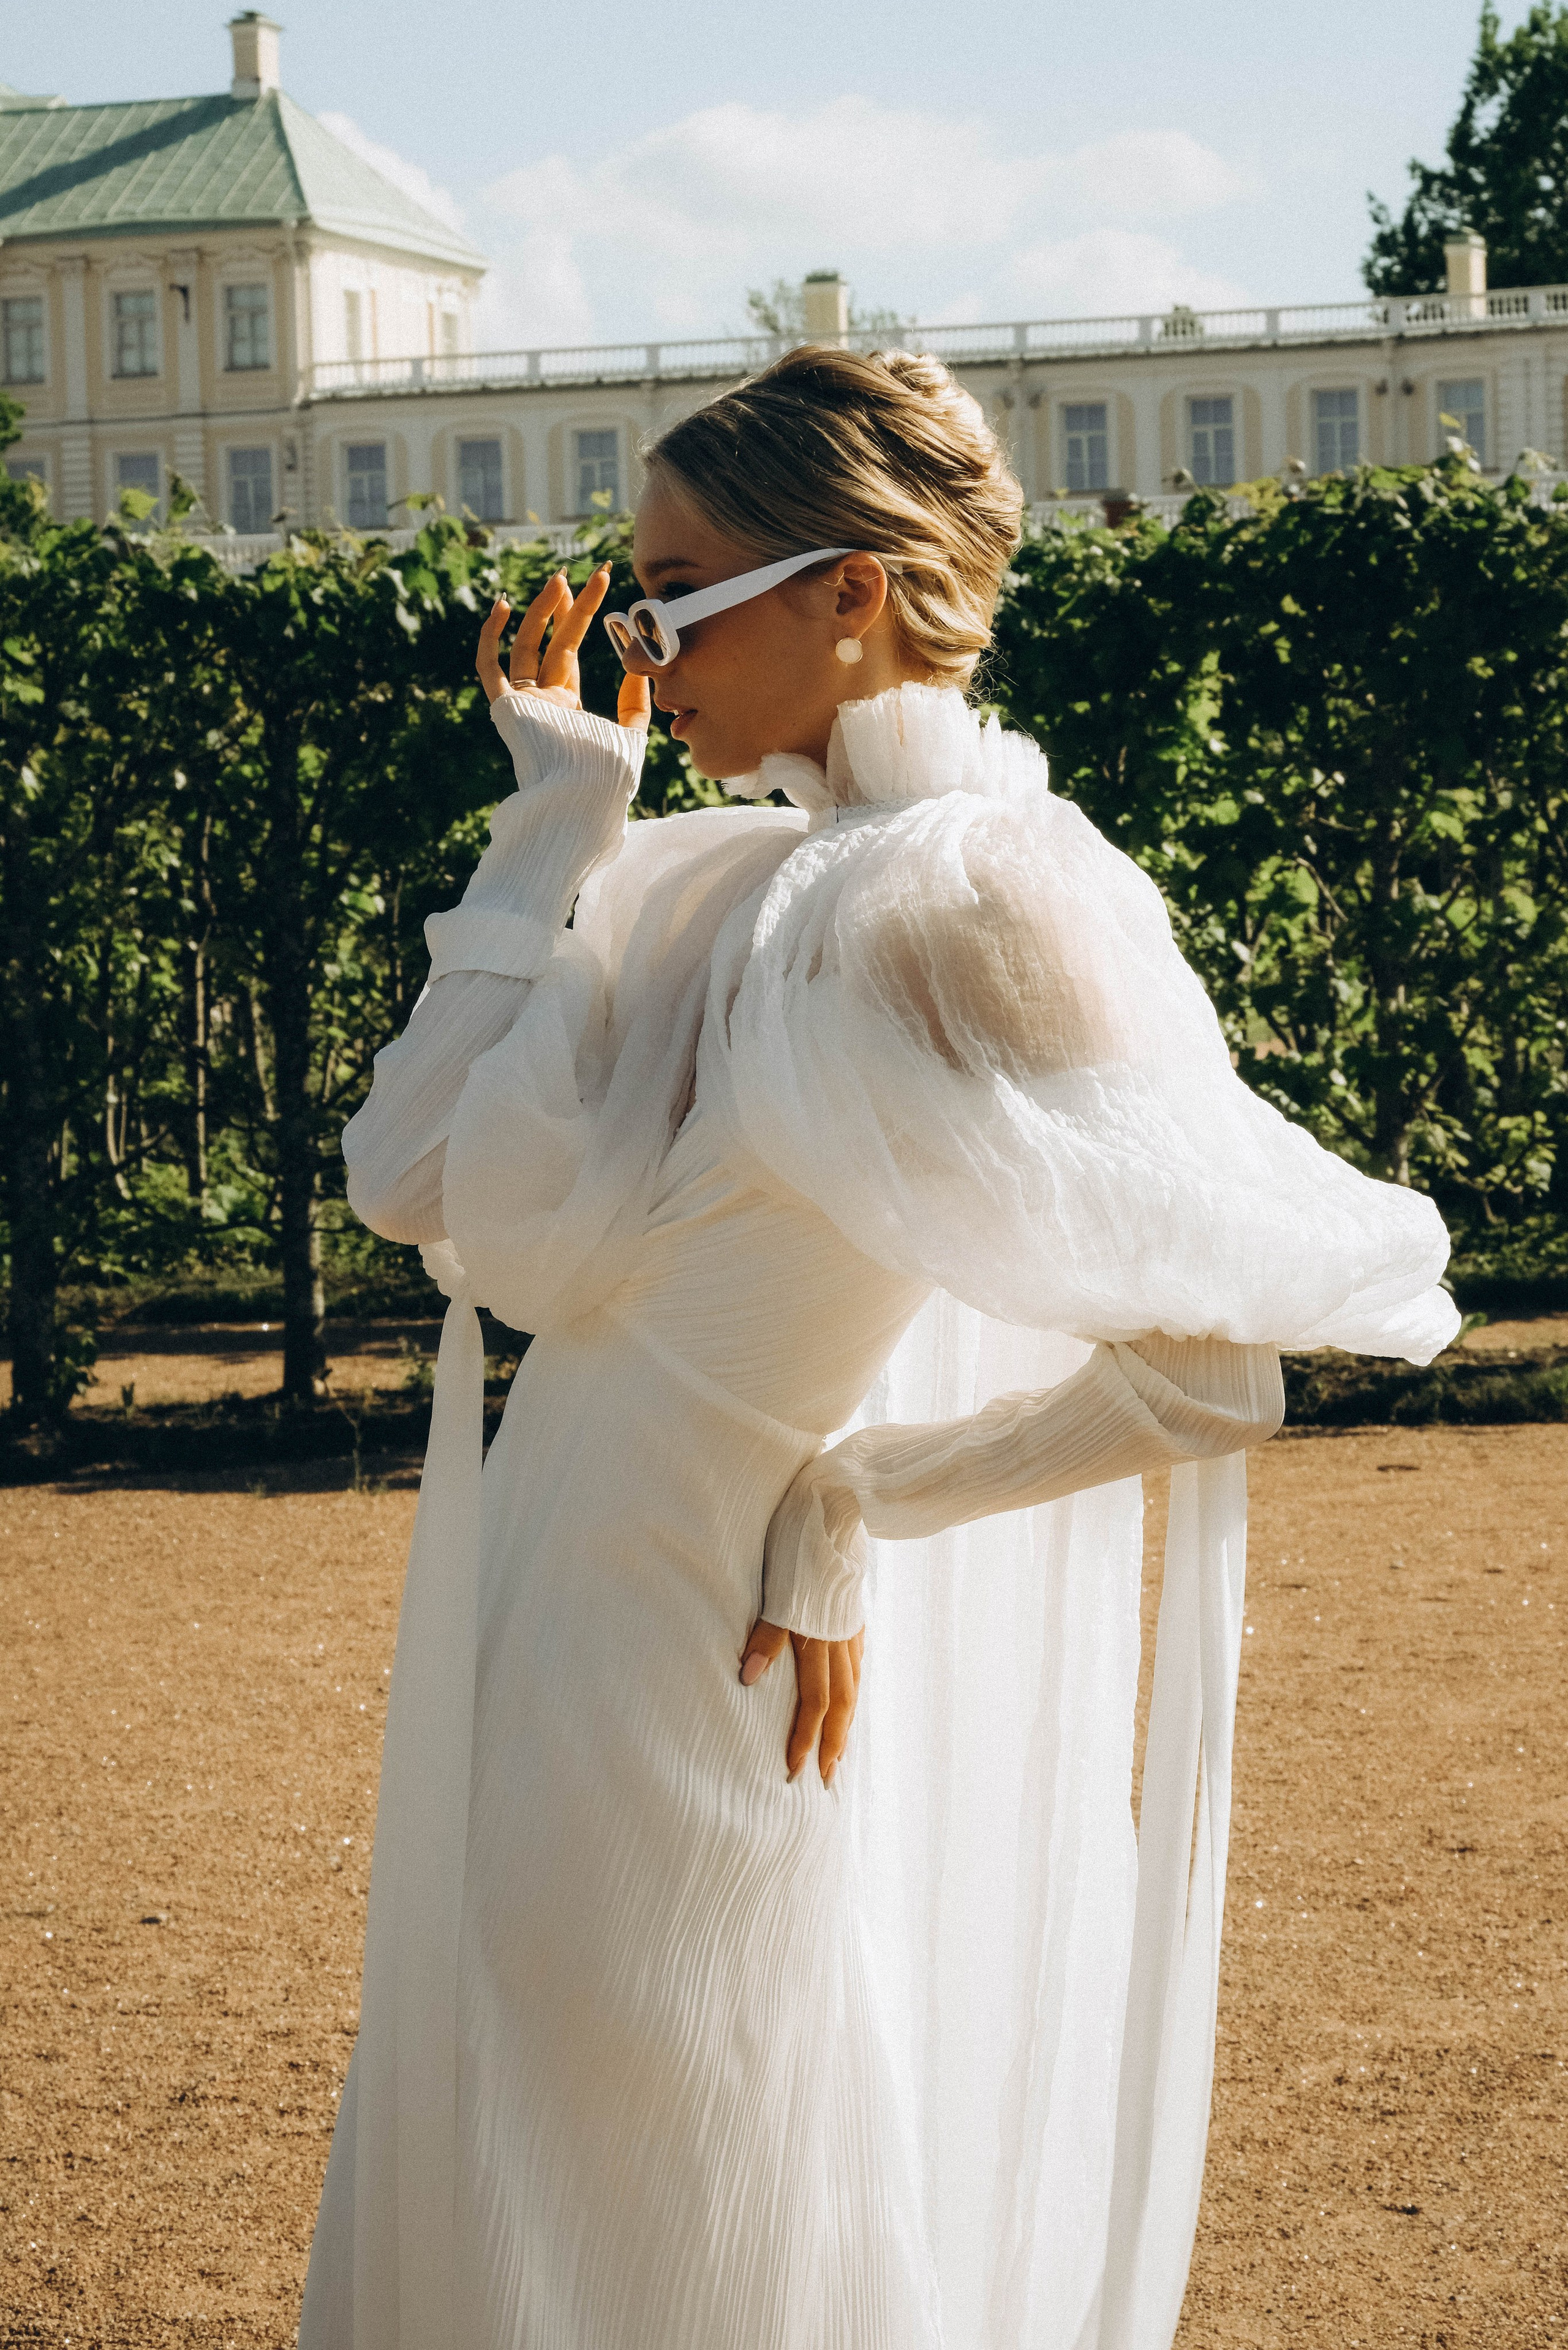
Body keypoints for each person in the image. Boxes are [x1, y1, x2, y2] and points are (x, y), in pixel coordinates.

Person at [298, 347, 1457, 2350]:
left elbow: (1216, 1370)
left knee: (689, 2164)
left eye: (676, 598)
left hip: (701, 1642)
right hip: (544, 1611)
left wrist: (853, 1498)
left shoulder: (978, 899)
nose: (639, 652)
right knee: (524, 2146)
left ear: (851, 592)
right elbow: (407, 1179)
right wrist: (559, 816)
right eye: (631, 602)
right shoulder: (721, 876)